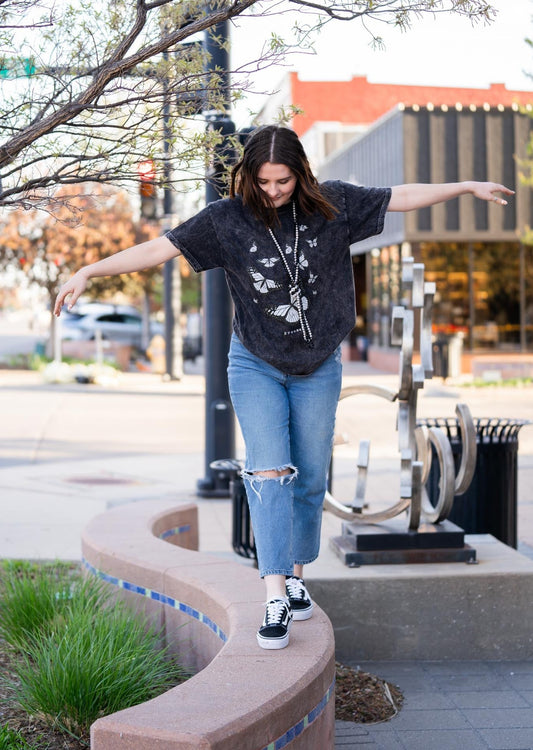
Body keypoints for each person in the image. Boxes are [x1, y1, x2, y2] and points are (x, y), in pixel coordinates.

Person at [54, 124, 513, 651]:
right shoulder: (226, 220)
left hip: (318, 363)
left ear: (300, 174)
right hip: (255, 363)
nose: (273, 191)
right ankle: (274, 593)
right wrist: (90, 270)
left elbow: (400, 196)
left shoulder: (332, 205)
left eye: (283, 180)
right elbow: (160, 249)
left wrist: (465, 187)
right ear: (249, 175)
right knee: (268, 470)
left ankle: (295, 575)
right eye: (264, 180)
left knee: (310, 474)